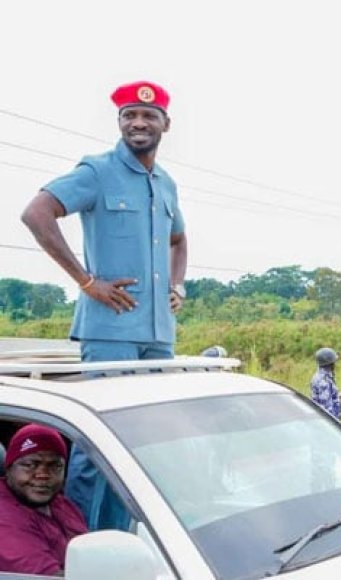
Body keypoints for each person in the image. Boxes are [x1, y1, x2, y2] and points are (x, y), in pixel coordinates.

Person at [20, 81, 186, 531]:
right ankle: (79, 548)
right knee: (99, 451)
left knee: (139, 449)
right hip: (110, 330)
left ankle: (118, 544)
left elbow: (179, 239)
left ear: (165, 125)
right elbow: (37, 212)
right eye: (129, 115)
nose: (138, 122)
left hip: (158, 337)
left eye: (148, 116)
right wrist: (86, 280)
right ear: (119, 122)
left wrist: (178, 284)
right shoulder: (96, 171)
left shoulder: (166, 183)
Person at [0, 424, 87, 575]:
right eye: (30, 465)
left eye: (54, 466)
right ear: (9, 468)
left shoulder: (61, 504)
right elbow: (47, 577)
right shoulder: (4, 515)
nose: (42, 475)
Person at [311, 347, 341, 420]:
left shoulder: (324, 376)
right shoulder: (323, 380)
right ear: (330, 363)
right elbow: (327, 407)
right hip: (330, 421)